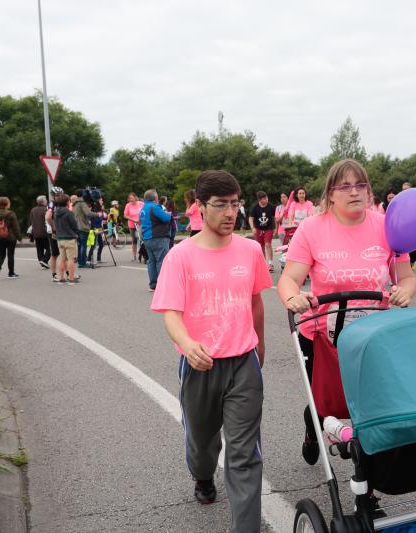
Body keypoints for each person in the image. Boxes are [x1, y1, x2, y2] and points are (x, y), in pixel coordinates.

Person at [150, 170, 270, 532]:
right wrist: (187, 345)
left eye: (235, 204)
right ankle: (202, 476)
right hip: (199, 367)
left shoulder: (249, 250)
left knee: (244, 456)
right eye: (220, 205)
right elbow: (171, 314)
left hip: (243, 364)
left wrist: (259, 349)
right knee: (202, 444)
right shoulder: (180, 256)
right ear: (200, 208)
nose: (230, 212)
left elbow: (256, 304)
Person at [277, 159, 416, 467]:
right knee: (327, 403)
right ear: (331, 193)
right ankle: (314, 426)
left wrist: (405, 290)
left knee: (370, 403)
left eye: (361, 185)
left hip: (373, 334)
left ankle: (365, 481)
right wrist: (292, 297)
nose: (355, 192)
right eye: (346, 186)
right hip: (323, 335)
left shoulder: (386, 226)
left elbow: (406, 277)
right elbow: (289, 279)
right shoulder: (312, 229)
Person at [139, 189, 172, 291]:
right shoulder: (154, 207)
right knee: (161, 261)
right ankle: (162, 285)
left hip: (147, 238)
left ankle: (153, 285)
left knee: (151, 261)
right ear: (155, 198)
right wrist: (168, 214)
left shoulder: (143, 208)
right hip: (158, 237)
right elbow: (166, 218)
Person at [0, 196, 22, 279]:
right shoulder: (11, 214)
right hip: (10, 238)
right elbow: (16, 227)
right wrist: (19, 237)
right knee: (10, 255)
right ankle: (11, 273)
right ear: (7, 204)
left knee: (1, 254)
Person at [53, 192, 80, 284]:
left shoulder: (56, 212)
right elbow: (74, 225)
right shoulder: (68, 213)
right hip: (69, 237)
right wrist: (76, 233)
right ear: (67, 202)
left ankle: (61, 278)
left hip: (60, 238)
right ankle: (71, 278)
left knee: (62, 259)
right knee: (71, 259)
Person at [249, 191, 276, 271]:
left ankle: (270, 264)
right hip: (258, 229)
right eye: (264, 198)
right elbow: (251, 218)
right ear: (259, 200)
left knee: (268, 244)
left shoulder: (271, 206)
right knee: (261, 246)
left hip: (269, 228)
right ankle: (263, 263)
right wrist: (252, 227)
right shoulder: (255, 207)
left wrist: (276, 228)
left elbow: (275, 217)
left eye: (266, 197)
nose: (266, 199)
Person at [72, 190, 94, 268]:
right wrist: (97, 214)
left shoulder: (75, 204)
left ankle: (80, 263)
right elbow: (88, 213)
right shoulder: (82, 203)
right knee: (83, 245)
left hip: (76, 227)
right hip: (83, 226)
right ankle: (83, 263)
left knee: (80, 245)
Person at [28, 195, 51, 269]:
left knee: (39, 248)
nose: (47, 201)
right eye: (46, 200)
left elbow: (31, 221)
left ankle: (42, 261)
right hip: (45, 232)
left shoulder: (33, 210)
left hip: (36, 232)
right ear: (43, 202)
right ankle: (45, 260)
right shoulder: (46, 209)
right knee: (49, 247)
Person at [46, 188, 63, 281]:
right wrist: (53, 228)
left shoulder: (60, 203)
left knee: (64, 253)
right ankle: (54, 274)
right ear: (53, 196)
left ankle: (68, 272)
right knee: (55, 254)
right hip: (53, 231)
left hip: (60, 230)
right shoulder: (51, 204)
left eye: (60, 195)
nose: (59, 197)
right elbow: (48, 217)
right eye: (57, 195)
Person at [124, 192, 144, 260]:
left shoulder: (141, 203)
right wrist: (133, 219)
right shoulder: (128, 205)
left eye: (132, 198)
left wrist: (141, 219)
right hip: (132, 225)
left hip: (141, 224)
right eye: (129, 198)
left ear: (135, 197)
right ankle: (134, 256)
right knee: (134, 240)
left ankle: (144, 254)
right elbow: (125, 215)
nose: (130, 199)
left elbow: (145, 211)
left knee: (142, 239)